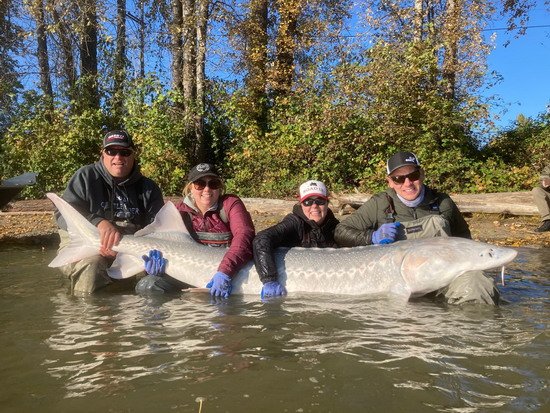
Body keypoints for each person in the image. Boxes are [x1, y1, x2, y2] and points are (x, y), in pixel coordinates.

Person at [334, 151, 499, 305]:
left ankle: (472, 331)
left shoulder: (443, 202)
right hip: (395, 280)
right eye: (399, 178)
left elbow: (464, 240)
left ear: (422, 174)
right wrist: (372, 237)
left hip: (443, 278)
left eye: (413, 176)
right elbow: (341, 231)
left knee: (478, 285)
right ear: (390, 182)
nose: (408, 183)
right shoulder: (380, 203)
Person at [54, 130, 165, 294]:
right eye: (111, 151)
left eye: (125, 152)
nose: (118, 158)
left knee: (152, 280)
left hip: (131, 248)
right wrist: (98, 222)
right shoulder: (85, 176)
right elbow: (61, 214)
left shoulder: (149, 188)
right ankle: (87, 316)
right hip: (83, 243)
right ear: (103, 153)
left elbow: (158, 230)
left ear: (133, 155)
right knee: (91, 266)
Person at [139, 163, 255, 298]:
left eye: (213, 184)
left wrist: (224, 272)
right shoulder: (178, 212)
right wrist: (152, 269)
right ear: (190, 188)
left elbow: (244, 235)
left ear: (220, 188)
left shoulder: (230, 204)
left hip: (226, 276)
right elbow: (156, 245)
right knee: (148, 285)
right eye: (200, 184)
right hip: (184, 276)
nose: (207, 189)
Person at [253, 180, 340, 298]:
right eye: (308, 202)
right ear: (301, 203)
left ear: (327, 202)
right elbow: (261, 239)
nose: (314, 206)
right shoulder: (294, 222)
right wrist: (269, 280)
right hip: (287, 289)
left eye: (320, 201)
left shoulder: (334, 226)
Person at [532, 164, 550, 232]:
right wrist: (544, 183)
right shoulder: (548, 167)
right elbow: (543, 179)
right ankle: (547, 221)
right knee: (536, 190)